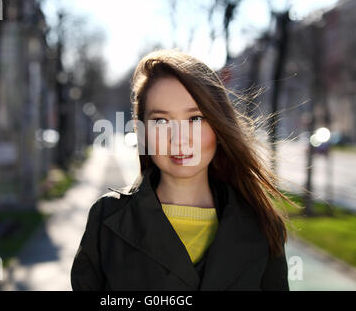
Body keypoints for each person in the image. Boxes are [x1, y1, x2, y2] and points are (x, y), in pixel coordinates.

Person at [71, 49, 297, 291]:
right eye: (161, 121)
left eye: (195, 119)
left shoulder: (261, 225)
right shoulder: (106, 218)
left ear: (218, 126)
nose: (179, 140)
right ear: (141, 132)